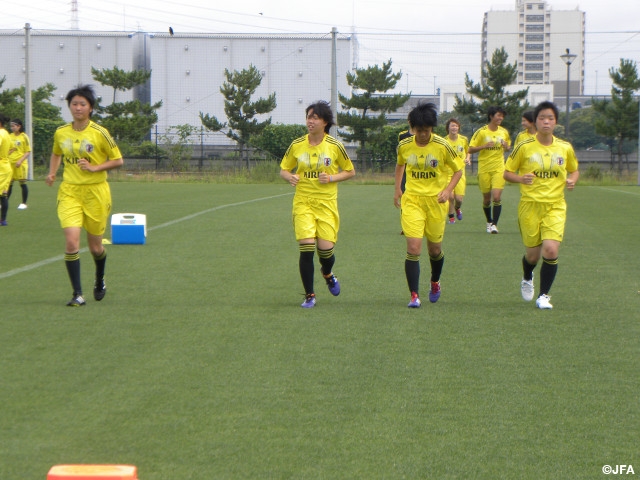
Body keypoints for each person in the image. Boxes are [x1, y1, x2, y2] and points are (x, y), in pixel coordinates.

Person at [46, 85, 124, 306]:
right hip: (69, 191)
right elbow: (56, 153)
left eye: (82, 104)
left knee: (95, 247)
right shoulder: (61, 132)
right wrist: (52, 173)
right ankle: (77, 294)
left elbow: (118, 160)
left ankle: (99, 278)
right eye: (74, 104)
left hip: (96, 192)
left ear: (90, 108)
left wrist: (94, 168)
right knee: (71, 242)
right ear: (69, 106)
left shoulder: (100, 133)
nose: (78, 108)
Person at [504, 101, 579, 310]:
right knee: (533, 255)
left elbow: (574, 170)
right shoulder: (524, 147)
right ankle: (527, 276)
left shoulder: (565, 147)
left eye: (551, 118)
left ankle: (544, 295)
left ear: (555, 122)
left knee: (551, 250)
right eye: (542, 118)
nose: (546, 121)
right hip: (530, 206)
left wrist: (572, 180)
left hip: (555, 205)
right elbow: (507, 172)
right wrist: (521, 179)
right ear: (535, 122)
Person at [280, 100, 355, 308]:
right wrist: (289, 177)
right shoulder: (297, 145)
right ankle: (309, 295)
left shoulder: (335, 146)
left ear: (325, 122)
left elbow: (350, 171)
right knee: (306, 247)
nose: (310, 121)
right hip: (303, 202)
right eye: (308, 117)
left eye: (314, 117)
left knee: (326, 252)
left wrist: (331, 179)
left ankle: (328, 273)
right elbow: (284, 169)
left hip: (326, 204)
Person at [394, 102, 463, 308]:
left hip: (436, 202)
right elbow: (400, 164)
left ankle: (435, 281)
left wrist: (448, 190)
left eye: (427, 130)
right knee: (414, 248)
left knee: (434, 250)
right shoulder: (405, 145)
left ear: (432, 128)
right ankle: (414, 295)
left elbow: (458, 170)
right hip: (412, 200)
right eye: (419, 130)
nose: (423, 134)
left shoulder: (442, 146)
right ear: (413, 128)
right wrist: (397, 188)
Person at [468, 106, 511, 234]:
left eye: (502, 116)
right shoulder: (481, 132)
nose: (500, 118)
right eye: (498, 115)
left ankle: (494, 225)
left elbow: (508, 148)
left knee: (496, 197)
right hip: (484, 168)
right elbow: (470, 149)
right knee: (487, 200)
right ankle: (489, 221)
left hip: (499, 168)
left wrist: (506, 146)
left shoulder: (503, 132)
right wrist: (484, 146)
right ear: (491, 116)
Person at [444, 118, 471, 224]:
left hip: (460, 173)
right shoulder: (444, 141)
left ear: (458, 127)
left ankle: (457, 208)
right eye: (452, 126)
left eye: (456, 126)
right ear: (448, 128)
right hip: (448, 173)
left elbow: (468, 150)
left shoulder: (464, 139)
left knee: (458, 199)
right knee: (450, 196)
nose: (454, 128)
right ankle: (451, 216)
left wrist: (468, 158)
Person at [8, 118, 31, 210]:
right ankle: (4, 202)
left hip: (20, 164)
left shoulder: (24, 136)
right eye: (11, 126)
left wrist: (20, 160)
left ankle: (24, 203)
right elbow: (9, 149)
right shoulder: (10, 136)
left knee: (22, 183)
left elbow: (28, 151)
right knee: (9, 183)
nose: (12, 128)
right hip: (10, 163)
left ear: (19, 126)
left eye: (14, 126)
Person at [0, 114, 12, 226]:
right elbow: (11, 147)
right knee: (3, 194)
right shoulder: (6, 133)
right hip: (6, 165)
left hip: (1, 167)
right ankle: (3, 220)